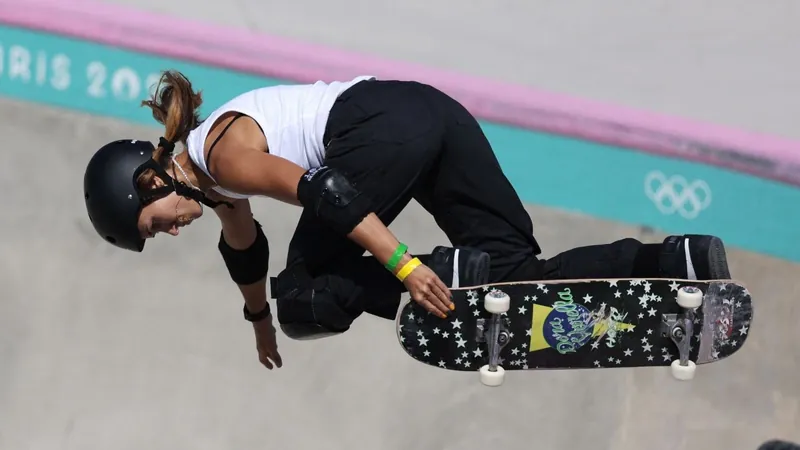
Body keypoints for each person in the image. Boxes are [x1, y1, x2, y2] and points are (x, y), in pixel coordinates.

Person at [83, 70, 732, 370]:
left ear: (151, 181)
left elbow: (322, 188)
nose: (171, 230)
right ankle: (677, 265)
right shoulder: (218, 183)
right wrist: (259, 326)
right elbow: (245, 249)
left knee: (306, 294)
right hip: (432, 114)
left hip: (378, 131)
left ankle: (447, 277)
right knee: (515, 276)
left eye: (154, 223)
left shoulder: (222, 151)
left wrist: (405, 265)